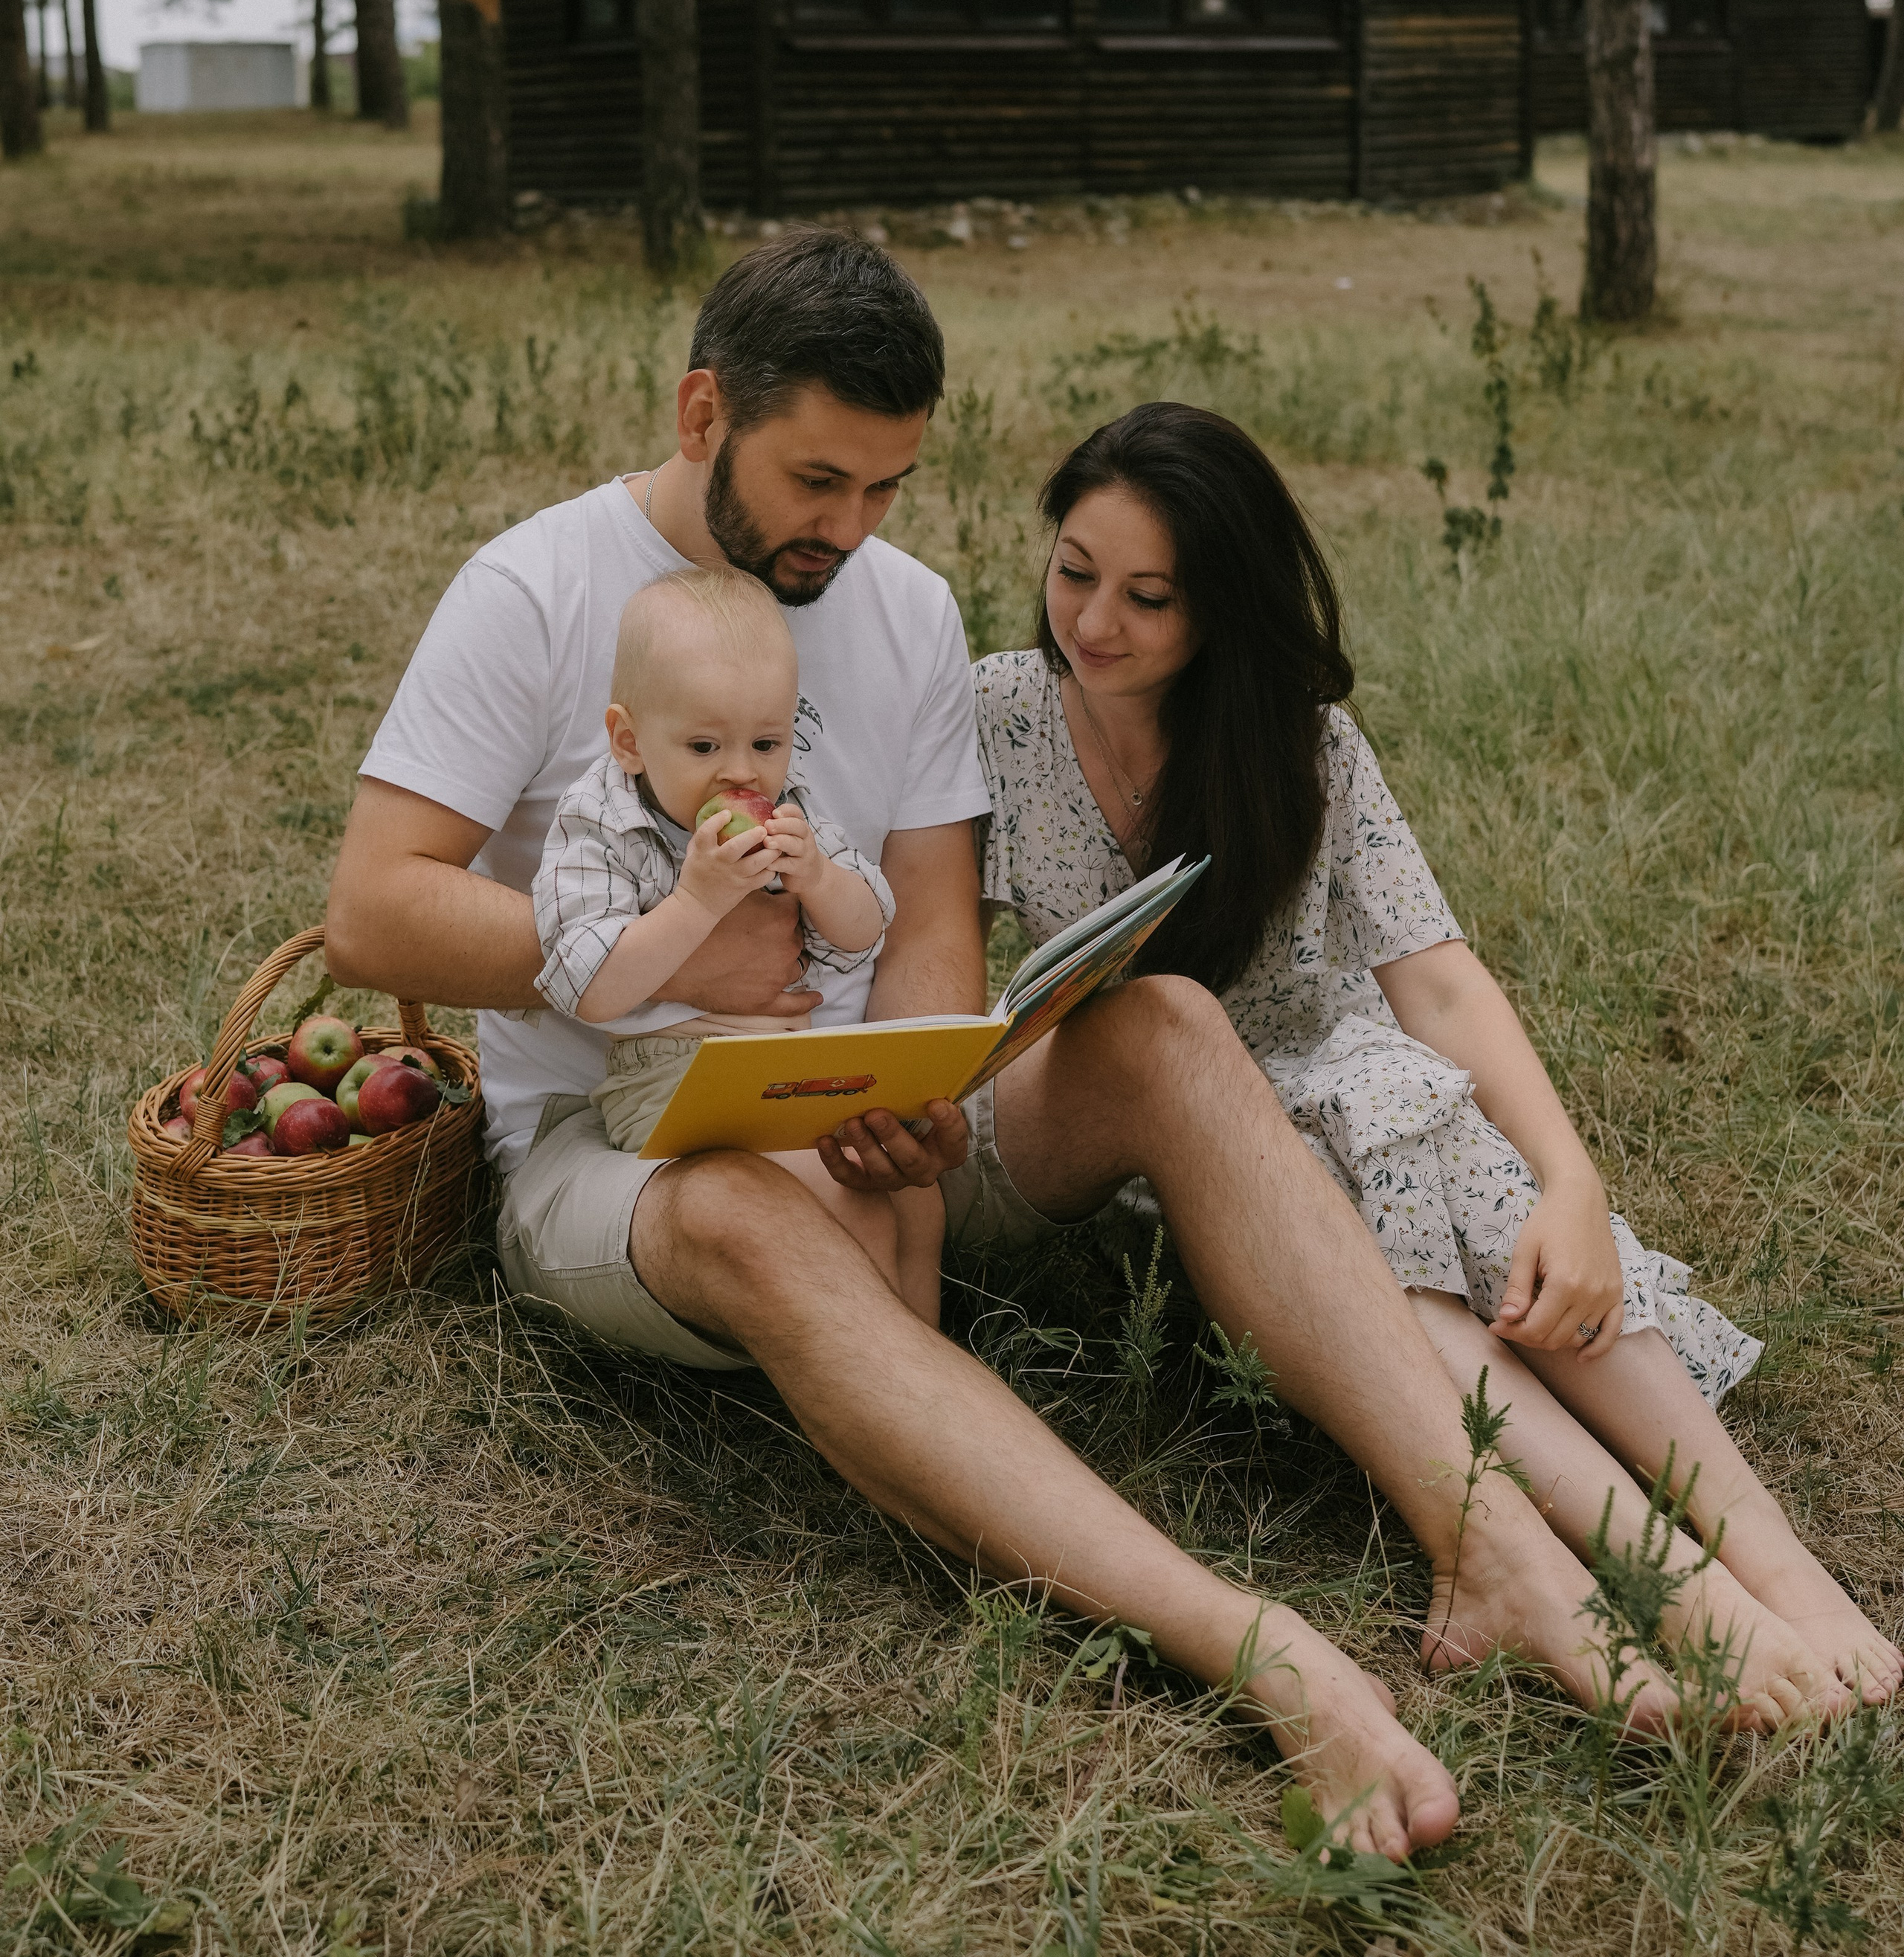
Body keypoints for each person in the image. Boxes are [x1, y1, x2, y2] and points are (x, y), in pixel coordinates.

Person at [329, 229, 1682, 1867]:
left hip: (864, 1130)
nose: (849, 528)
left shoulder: (893, 611)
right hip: (624, 1153)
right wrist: (655, 942)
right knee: (747, 1212)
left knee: (1166, 1021)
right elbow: (373, 912)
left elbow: (924, 921)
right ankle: (1263, 1652)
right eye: (817, 479)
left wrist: (914, 1084)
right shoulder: (534, 586)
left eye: (887, 486)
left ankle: (1481, 1535)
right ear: (703, 411)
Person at [958, 399, 1900, 1720]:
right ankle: (1676, 1580)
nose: (1095, 620)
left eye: (1149, 596)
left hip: (1342, 1080)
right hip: (1149, 1121)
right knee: (1376, 1211)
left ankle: (1783, 1569)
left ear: (1222, 608)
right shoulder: (997, 711)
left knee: (1436, 1135)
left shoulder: (1301, 742)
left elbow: (1438, 976)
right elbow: (939, 956)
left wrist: (1570, 1181)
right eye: (1075, 571)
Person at [527, 562, 939, 1317]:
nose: (742, 772)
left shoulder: (792, 807)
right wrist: (696, 899)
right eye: (705, 746)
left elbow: (864, 929)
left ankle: (924, 1367)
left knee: (914, 1201)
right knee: (842, 1198)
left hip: (788, 1071)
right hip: (674, 1081)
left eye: (766, 741)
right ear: (629, 740)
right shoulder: (599, 821)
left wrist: (819, 877)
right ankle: (881, 1386)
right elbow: (589, 985)